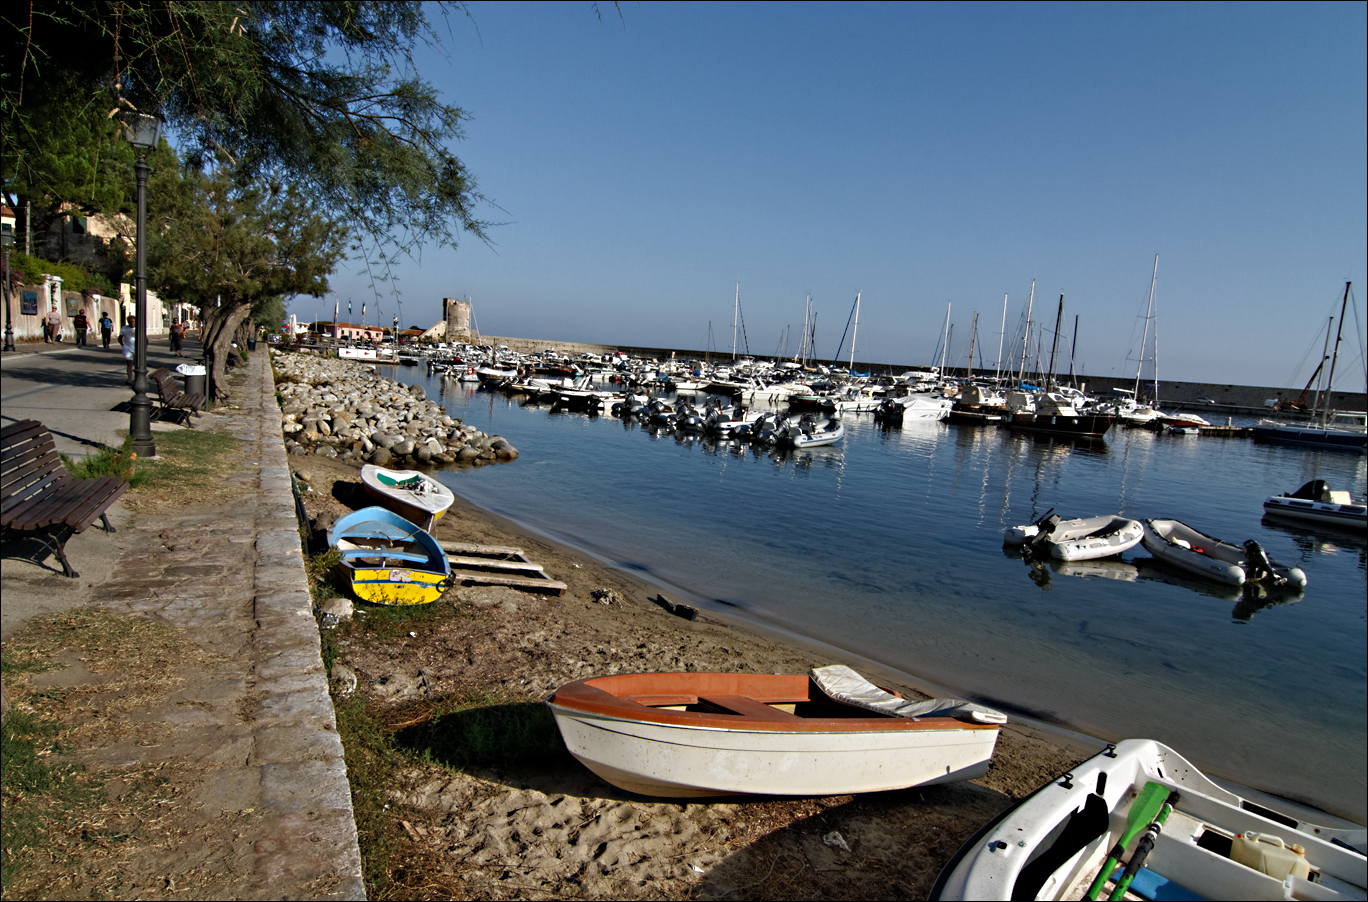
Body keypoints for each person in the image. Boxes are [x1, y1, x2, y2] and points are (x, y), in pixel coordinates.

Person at [120, 316, 137, 383]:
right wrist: (123, 345)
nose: (131, 323)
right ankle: (130, 378)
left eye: (133, 321)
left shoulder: (138, 328)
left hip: (137, 349)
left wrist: (144, 348)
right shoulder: (124, 328)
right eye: (129, 322)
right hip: (128, 348)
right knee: (129, 364)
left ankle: (137, 378)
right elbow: (120, 337)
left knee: (138, 365)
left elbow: (145, 339)